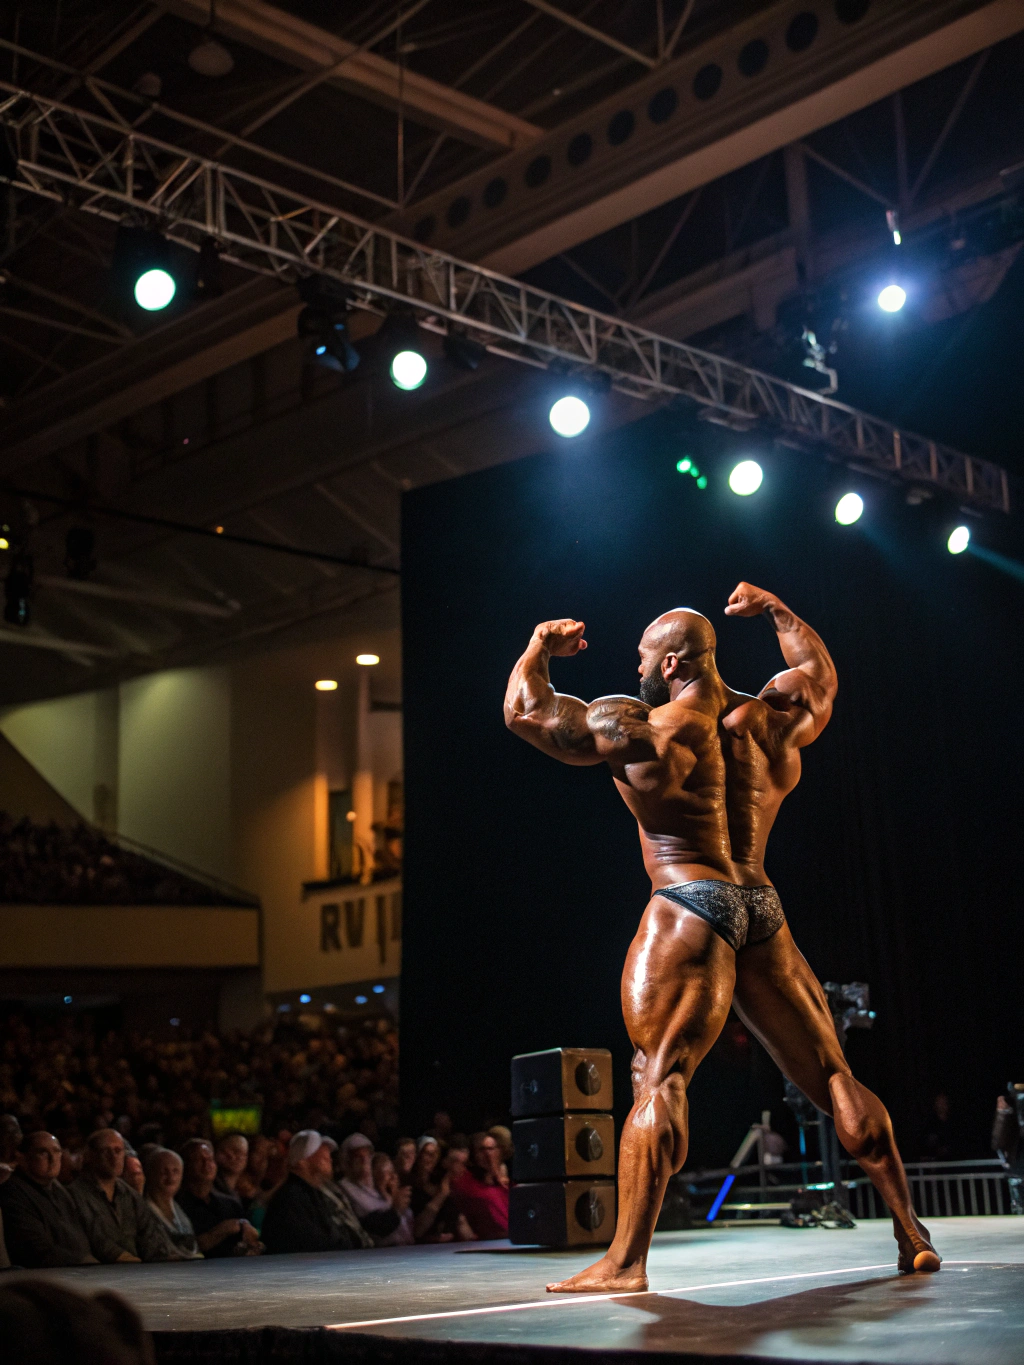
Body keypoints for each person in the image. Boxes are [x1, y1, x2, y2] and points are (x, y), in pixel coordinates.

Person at [505, 589, 940, 1291]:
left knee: (659, 1074)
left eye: (643, 658)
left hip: (687, 900)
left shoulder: (639, 724)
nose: (637, 668)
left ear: (671, 662)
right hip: (761, 904)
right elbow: (820, 679)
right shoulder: (769, 720)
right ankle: (911, 1231)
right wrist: (778, 613)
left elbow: (527, 712)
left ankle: (625, 1263)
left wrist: (537, 644)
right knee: (832, 1073)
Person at [69, 1128, 174, 1264]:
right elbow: (91, 1239)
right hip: (99, 1270)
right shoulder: (75, 1195)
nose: (114, 1157)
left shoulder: (130, 1195)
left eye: (118, 1151)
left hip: (137, 1270)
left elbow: (150, 1236)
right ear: (91, 1156)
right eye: (106, 1151)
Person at [262, 1130, 371, 1255]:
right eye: (321, 1154)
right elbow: (316, 1243)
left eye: (328, 1155)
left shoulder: (314, 1193)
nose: (329, 1158)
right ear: (302, 1161)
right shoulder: (290, 1198)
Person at [0, 1131, 95, 1267]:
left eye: (56, 1151)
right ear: (23, 1158)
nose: (52, 1158)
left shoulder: (59, 1190)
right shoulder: (13, 1193)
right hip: (45, 1274)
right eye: (43, 1152)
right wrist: (85, 1262)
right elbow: (34, 1250)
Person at [175, 1138, 262, 1257]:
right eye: (199, 1160)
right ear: (185, 1165)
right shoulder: (178, 1207)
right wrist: (224, 1229)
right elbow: (184, 1247)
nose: (207, 1164)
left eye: (210, 1159)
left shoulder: (230, 1204)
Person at [338, 1133, 409, 1244]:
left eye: (367, 1156)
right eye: (358, 1157)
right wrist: (396, 1209)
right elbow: (371, 1226)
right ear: (348, 1161)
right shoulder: (344, 1188)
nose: (364, 1160)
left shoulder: (376, 1184)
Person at [143, 1148, 202, 1259]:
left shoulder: (181, 1208)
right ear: (150, 1173)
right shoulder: (142, 1210)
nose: (171, 1177)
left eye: (175, 1171)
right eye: (164, 1172)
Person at [449, 1132, 509, 1239]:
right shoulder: (465, 1183)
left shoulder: (507, 1183)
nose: (487, 1154)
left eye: (490, 1149)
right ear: (474, 1154)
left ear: (499, 1151)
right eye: (482, 1150)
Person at [371, 1152, 414, 1244]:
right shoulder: (373, 1204)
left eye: (393, 1171)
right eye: (386, 1173)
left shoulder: (402, 1199)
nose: (393, 1176)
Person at [213, 1133, 250, 1207]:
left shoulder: (244, 1193)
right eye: (235, 1151)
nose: (239, 1157)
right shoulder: (209, 1193)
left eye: (243, 1154)